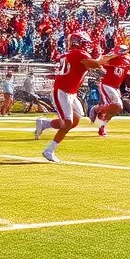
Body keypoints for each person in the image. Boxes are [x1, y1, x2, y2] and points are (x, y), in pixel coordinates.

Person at [34, 32, 105, 162]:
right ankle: (49, 150)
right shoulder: (79, 54)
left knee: (76, 120)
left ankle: (45, 124)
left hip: (70, 92)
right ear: (78, 42)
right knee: (67, 122)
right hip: (62, 91)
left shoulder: (68, 54)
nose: (87, 46)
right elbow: (96, 65)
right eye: (84, 43)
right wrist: (104, 56)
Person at [91, 44, 130, 136]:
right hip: (106, 85)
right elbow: (99, 61)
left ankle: (101, 127)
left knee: (114, 110)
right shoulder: (111, 57)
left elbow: (129, 70)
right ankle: (96, 109)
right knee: (117, 106)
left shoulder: (128, 59)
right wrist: (113, 55)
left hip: (116, 87)